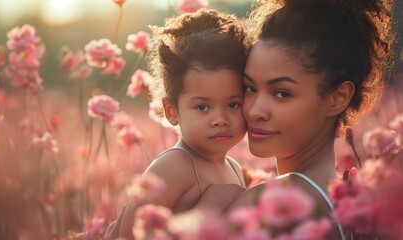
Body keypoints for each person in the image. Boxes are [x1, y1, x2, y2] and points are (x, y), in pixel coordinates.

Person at [196, 0, 394, 239]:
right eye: (250, 88)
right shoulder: (344, 209)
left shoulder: (270, 206)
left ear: (337, 97)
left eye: (281, 93)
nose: (255, 111)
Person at [104, 8, 248, 240]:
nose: (220, 119)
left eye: (233, 105)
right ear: (172, 111)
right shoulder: (175, 165)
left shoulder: (232, 166)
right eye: (202, 107)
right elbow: (127, 235)